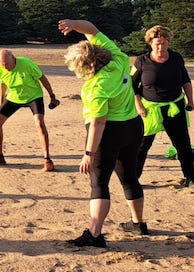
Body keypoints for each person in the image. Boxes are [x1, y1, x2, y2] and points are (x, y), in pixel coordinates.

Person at [58, 19, 145, 245]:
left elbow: (98, 122)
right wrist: (75, 24)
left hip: (110, 134)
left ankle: (94, 234)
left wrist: (88, 153)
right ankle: (138, 223)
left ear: (84, 66)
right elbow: (93, 29)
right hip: (133, 127)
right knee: (129, 177)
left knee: (99, 183)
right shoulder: (118, 58)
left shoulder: (96, 86)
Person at [132, 25, 194, 189]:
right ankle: (133, 179)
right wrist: (139, 107)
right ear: (150, 43)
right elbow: (133, 87)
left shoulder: (176, 58)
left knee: (183, 144)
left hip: (174, 107)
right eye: (157, 43)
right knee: (142, 145)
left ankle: (190, 177)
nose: (160, 46)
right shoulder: (141, 61)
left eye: (163, 43)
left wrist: (190, 101)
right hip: (149, 109)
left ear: (168, 42)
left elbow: (185, 80)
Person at [0, 49, 60, 171]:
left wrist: (52, 96)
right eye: (2, 64)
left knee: (39, 123)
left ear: (13, 58)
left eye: (7, 64)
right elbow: (3, 84)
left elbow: (43, 78)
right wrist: (1, 101)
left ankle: (47, 160)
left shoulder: (27, 63)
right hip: (14, 97)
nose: (5, 67)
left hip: (33, 96)